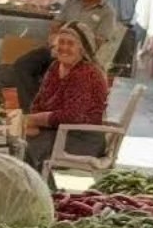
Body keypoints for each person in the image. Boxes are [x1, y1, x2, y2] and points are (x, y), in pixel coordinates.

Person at [24, 22, 110, 172]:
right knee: (15, 140)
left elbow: (71, 116)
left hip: (82, 139)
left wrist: (33, 120)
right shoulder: (55, 67)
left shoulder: (85, 74)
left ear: (82, 49)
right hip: (57, 132)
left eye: (70, 44)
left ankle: (39, 191)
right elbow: (39, 102)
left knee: (26, 148)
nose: (64, 48)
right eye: (61, 42)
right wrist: (31, 123)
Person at [55, 0, 123, 71]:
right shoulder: (71, 2)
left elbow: (97, 44)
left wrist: (71, 51)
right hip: (58, 51)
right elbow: (56, 27)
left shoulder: (107, 12)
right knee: (24, 63)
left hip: (82, 60)